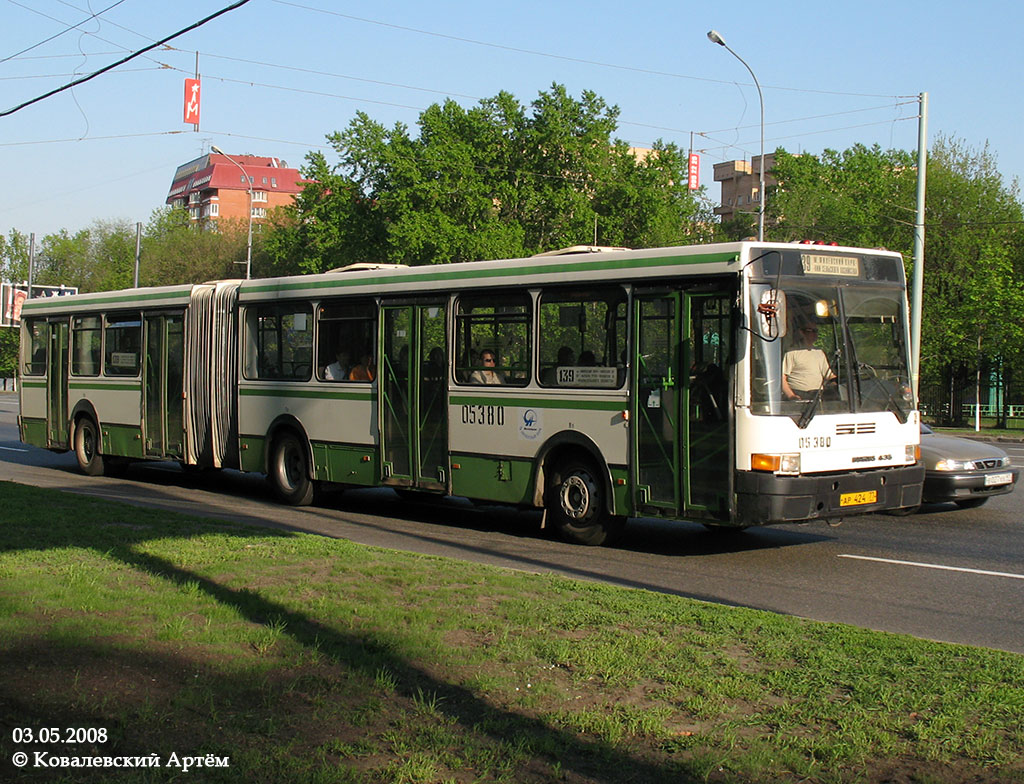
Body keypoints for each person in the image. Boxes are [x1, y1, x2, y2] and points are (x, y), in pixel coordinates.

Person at [782, 323, 834, 400]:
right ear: (801, 332)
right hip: (798, 395)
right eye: (811, 331)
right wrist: (791, 396)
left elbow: (828, 375)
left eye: (816, 331)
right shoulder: (791, 352)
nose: (814, 334)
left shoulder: (819, 352)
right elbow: (782, 378)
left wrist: (840, 381)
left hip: (817, 395)